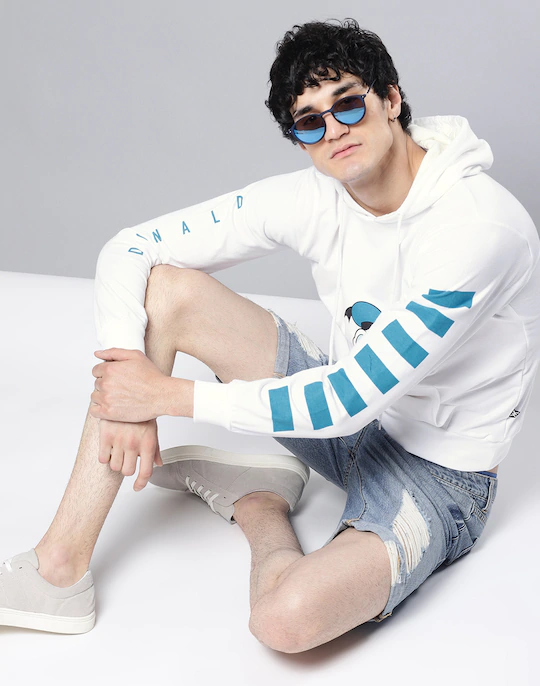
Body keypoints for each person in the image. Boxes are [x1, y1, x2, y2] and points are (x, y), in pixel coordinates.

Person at [1, 18, 538, 653]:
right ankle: (59, 570)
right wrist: (128, 380)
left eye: (348, 104)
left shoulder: (477, 229)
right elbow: (132, 247)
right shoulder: (315, 196)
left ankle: (260, 502)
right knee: (167, 291)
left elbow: (347, 400)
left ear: (392, 100)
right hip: (351, 428)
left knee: (284, 622)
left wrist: (165, 396)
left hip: (439, 479)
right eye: (310, 122)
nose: (333, 129)